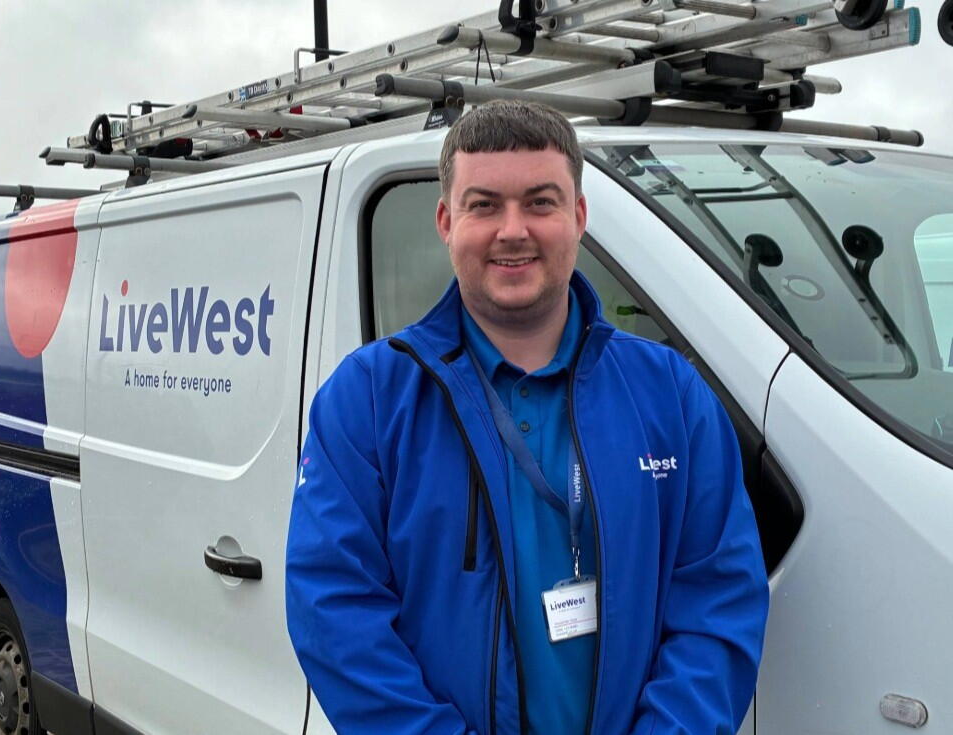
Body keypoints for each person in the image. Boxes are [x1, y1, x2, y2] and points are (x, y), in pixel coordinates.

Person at [285, 100, 769, 735]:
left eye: (540, 202)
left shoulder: (670, 393)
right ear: (446, 221)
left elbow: (718, 597)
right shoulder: (369, 398)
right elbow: (335, 611)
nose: (512, 230)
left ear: (579, 216)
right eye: (484, 205)